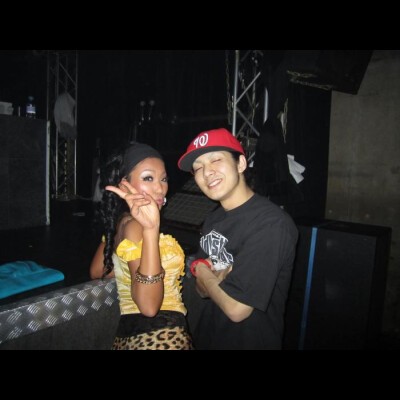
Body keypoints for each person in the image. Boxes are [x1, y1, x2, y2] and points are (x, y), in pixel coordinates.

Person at [177, 128, 298, 350]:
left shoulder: (271, 223)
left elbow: (236, 309)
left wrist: (202, 270)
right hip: (207, 338)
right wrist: (213, 278)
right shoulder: (213, 218)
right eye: (198, 168)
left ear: (241, 164)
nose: (207, 172)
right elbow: (201, 290)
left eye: (216, 160)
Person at [90, 142, 193, 350]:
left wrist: (129, 272)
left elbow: (98, 270)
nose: (160, 188)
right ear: (124, 186)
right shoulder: (137, 226)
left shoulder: (122, 223)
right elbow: (149, 307)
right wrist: (151, 229)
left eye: (163, 179)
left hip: (131, 337)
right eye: (148, 178)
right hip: (162, 338)